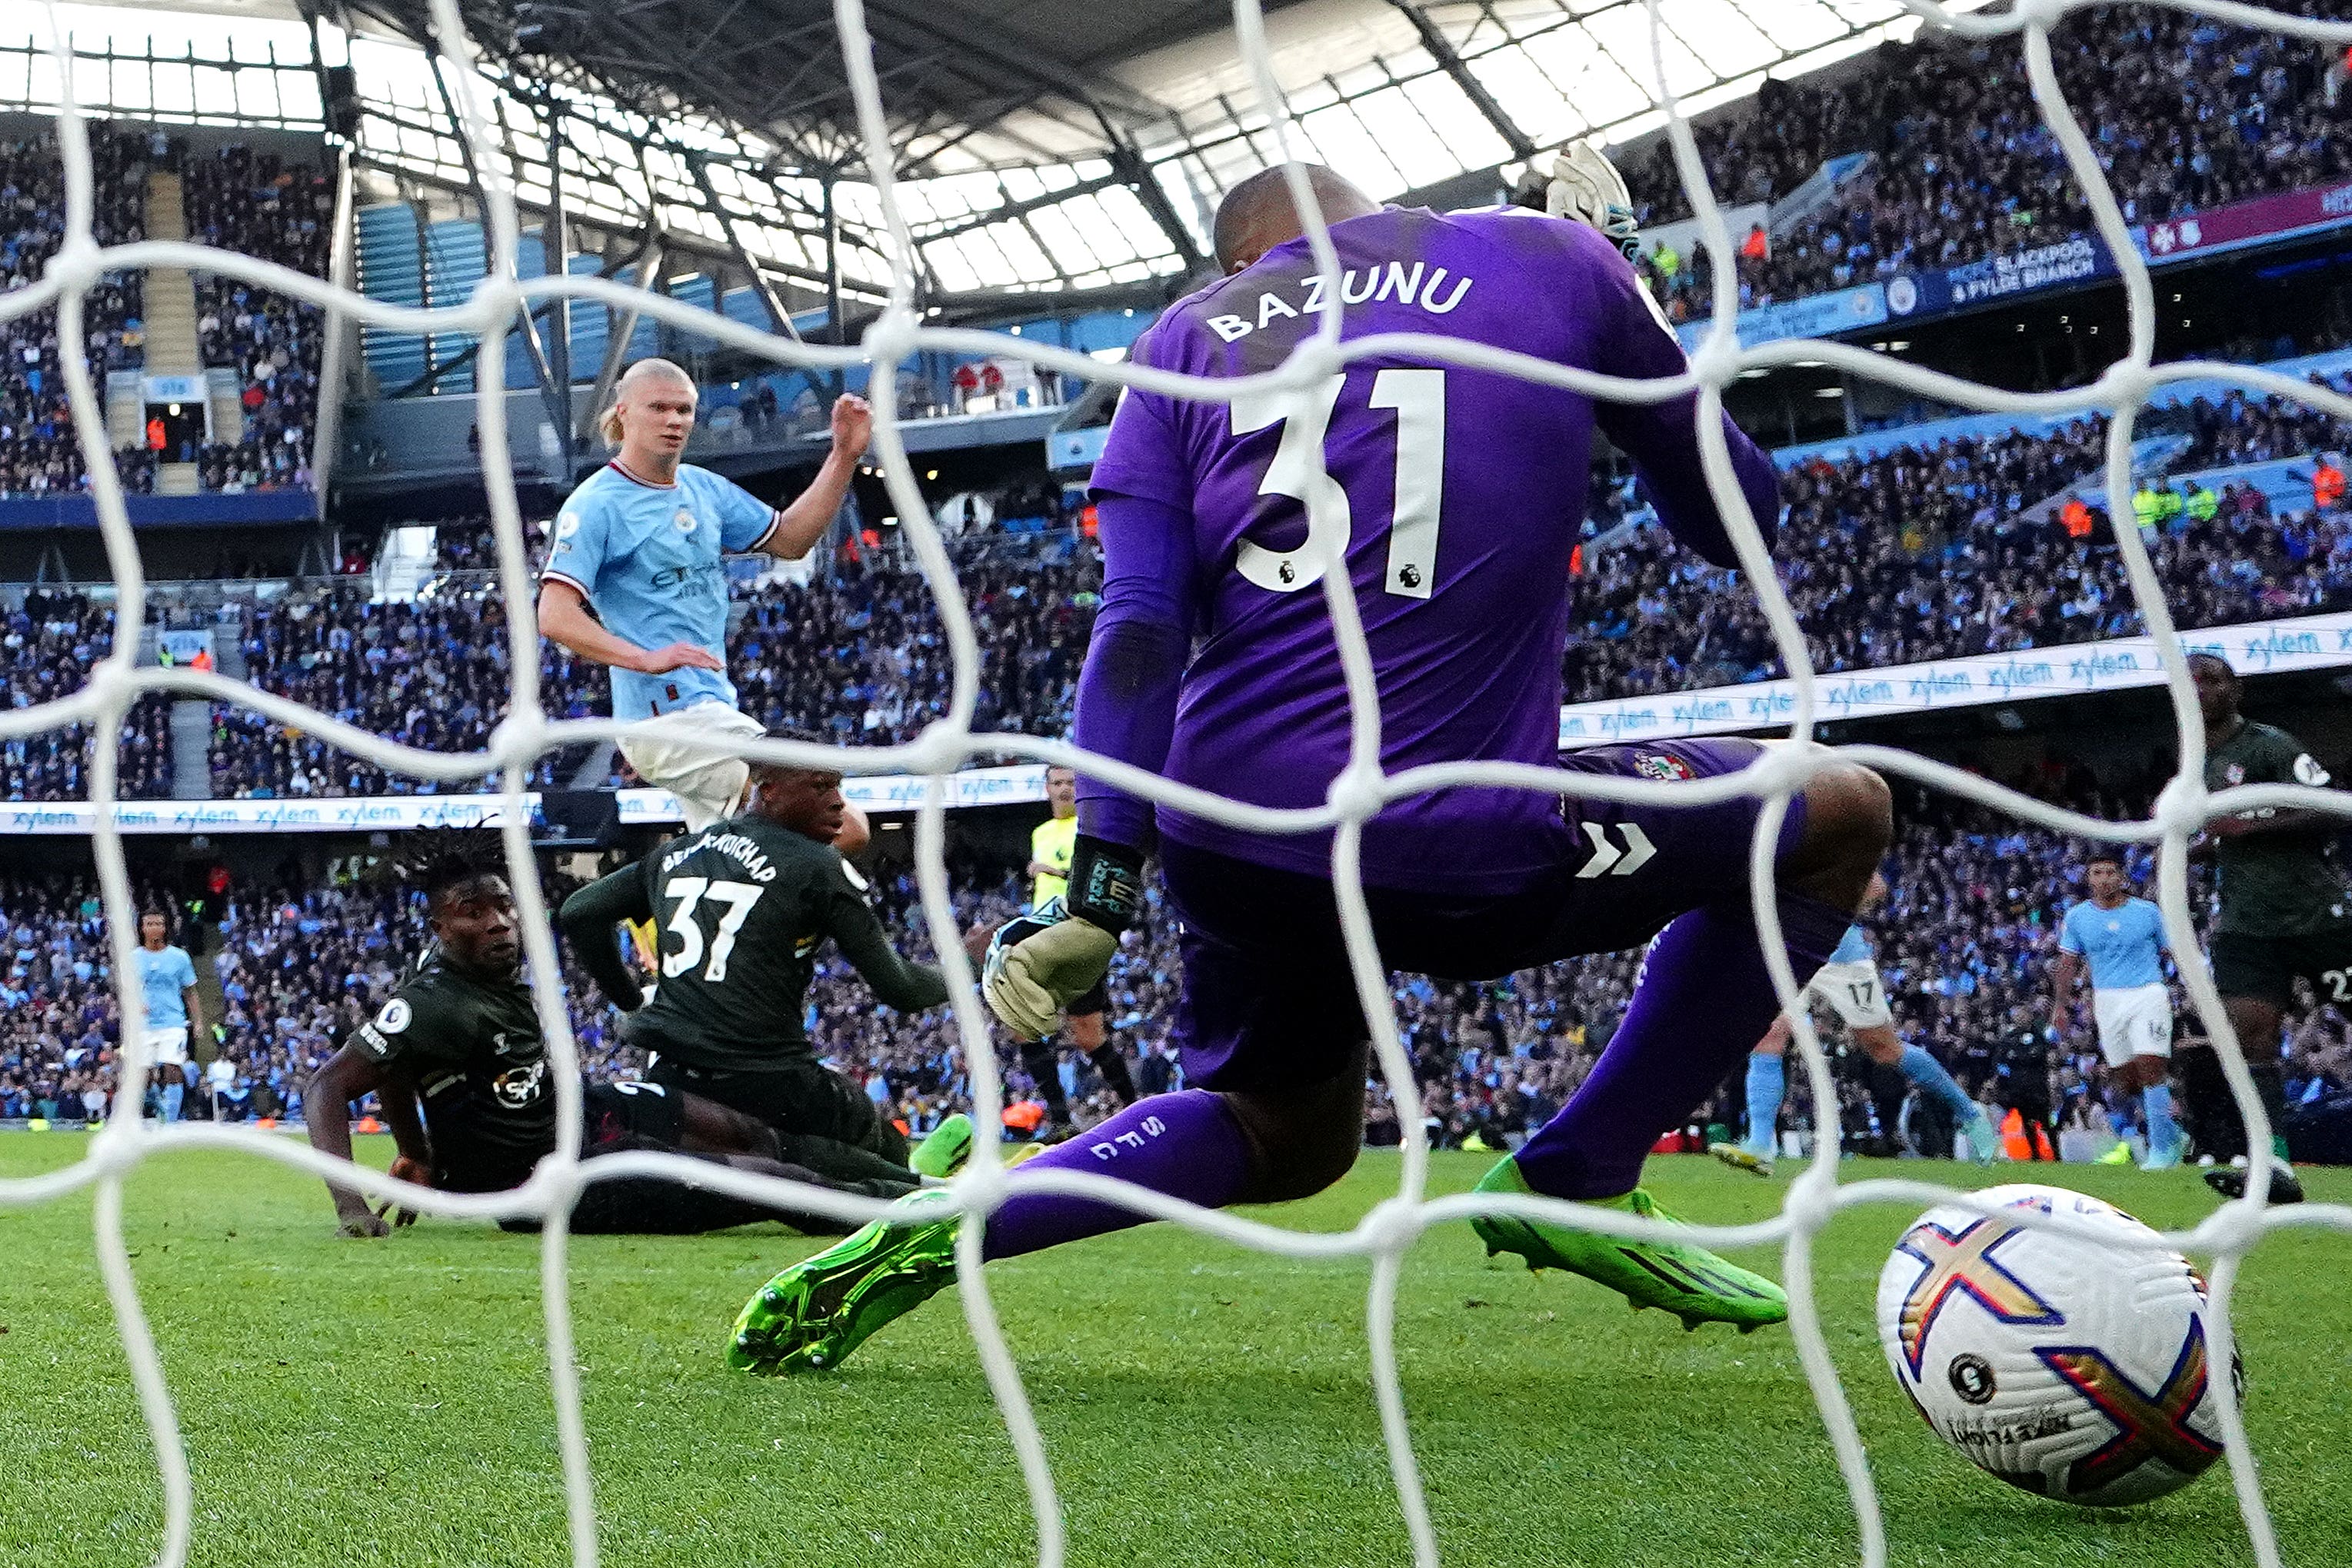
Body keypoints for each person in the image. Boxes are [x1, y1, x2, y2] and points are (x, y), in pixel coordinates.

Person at [728, 156, 1894, 1377]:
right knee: (1839, 809)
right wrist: (1619, 283)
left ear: (1246, 262)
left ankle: (949, 1224)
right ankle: (1577, 1169)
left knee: (1283, 1134)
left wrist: (1099, 895)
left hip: (1232, 842)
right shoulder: (1548, 260)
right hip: (1462, 838)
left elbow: (1136, 628)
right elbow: (1737, 522)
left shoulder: (1182, 339)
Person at [303, 830, 958, 1239]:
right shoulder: (434, 1000)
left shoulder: (476, 978)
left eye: (504, 905)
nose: (501, 923)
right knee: (761, 1177)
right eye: (473, 913)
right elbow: (330, 1084)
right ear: (441, 928)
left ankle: (923, 1190)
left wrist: (416, 1150)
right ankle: (927, 1212)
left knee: (755, 1132)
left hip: (578, 1111)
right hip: (543, 1180)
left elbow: (396, 1071)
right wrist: (353, 1206)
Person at [559, 746, 956, 1195]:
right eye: (821, 786)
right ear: (767, 792)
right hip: (767, 1077)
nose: (839, 802)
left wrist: (630, 999)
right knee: (869, 1135)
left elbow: (579, 911)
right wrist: (972, 966)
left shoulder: (680, 852)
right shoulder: (816, 865)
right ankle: (921, 1187)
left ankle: (906, 1178)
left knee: (784, 1154)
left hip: (672, 1073)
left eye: (838, 786)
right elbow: (900, 988)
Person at [535, 357, 875, 850]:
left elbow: (791, 540)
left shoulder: (702, 488)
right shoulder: (596, 503)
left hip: (712, 706)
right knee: (842, 828)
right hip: (665, 722)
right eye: (659, 409)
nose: (674, 421)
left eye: (684, 410)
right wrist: (644, 658)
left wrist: (843, 456)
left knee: (735, 862)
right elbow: (555, 614)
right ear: (624, 412)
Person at [1709, 874, 1997, 1174]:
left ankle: (1970, 1113)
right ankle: (1760, 1145)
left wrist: (1835, 905)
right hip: (1790, 950)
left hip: (1840, 955)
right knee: (1771, 1033)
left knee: (1885, 1050)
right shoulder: (1767, 841)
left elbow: (1876, 886)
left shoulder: (1821, 838)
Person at [2187, 651, 2324, 1203]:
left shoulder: (2271, 744)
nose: (2200, 690)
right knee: (2250, 1036)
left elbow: (2329, 807)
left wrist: (2249, 826)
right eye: (2190, 681)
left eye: (2211, 680)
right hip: (2245, 922)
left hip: (2314, 914)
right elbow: (2224, 832)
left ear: (2234, 690)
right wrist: (2209, 847)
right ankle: (2275, 1166)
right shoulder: (2193, 762)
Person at [1005, 764, 1138, 1137]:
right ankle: (1062, 1120)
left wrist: (1051, 871)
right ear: (1046, 788)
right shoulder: (1041, 832)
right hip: (1042, 935)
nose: (1064, 789)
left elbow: (1094, 875)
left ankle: (1135, 1106)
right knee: (1022, 1028)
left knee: (1089, 1036)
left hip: (1077, 935)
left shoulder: (1088, 828)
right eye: (1057, 782)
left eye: (1071, 783)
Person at [2050, 850, 2180, 1170]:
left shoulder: (2148, 913)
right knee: (2126, 1079)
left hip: (2148, 993)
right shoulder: (2078, 917)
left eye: (2110, 872)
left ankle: (2162, 1150)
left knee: (2151, 1065)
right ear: (2088, 879)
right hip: (2107, 999)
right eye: (2097, 873)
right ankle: (2173, 1133)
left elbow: (2175, 950)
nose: (2104, 879)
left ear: (2122, 877)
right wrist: (2060, 1005)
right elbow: (2068, 963)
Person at [132, 910, 202, 1122]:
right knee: (143, 1075)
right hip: (144, 1024)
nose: (155, 928)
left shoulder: (179, 957)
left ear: (165, 928)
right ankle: (155, 1108)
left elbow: (190, 991)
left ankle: (170, 1121)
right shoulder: (133, 958)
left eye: (159, 923)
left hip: (173, 1021)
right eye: (150, 923)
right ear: (142, 928)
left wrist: (198, 1021)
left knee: (173, 1068)